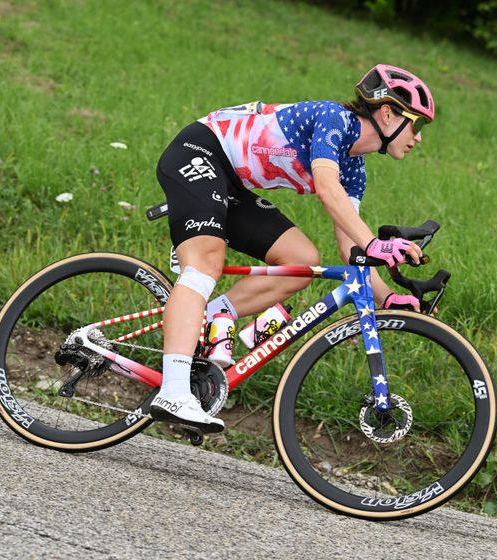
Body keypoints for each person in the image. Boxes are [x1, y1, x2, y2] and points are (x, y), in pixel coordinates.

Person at [150, 64, 435, 432]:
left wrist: (386, 297)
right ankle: (172, 392)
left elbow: (350, 241)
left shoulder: (355, 168)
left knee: (302, 261)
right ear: (387, 112)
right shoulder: (335, 120)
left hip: (231, 183)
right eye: (418, 124)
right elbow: (327, 189)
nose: (419, 137)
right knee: (206, 261)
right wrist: (375, 242)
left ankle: (207, 320)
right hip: (198, 151)